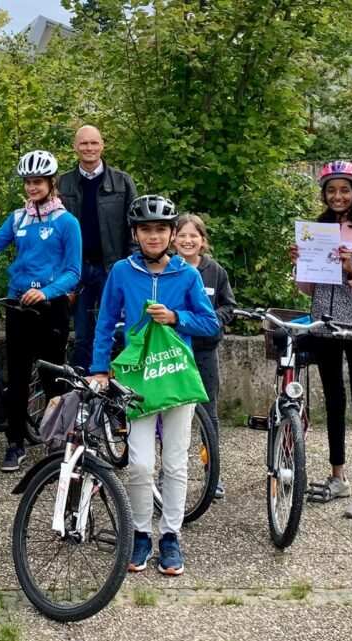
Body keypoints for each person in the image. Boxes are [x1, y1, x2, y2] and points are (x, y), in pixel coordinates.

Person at [90, 195, 219, 576]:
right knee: (141, 463)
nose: (153, 235)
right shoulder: (122, 271)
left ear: (172, 233)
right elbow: (105, 321)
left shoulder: (188, 275)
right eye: (146, 229)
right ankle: (141, 533)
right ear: (135, 233)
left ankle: (170, 537)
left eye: (161, 229)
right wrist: (99, 369)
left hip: (176, 375)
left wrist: (177, 317)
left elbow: (211, 324)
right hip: (137, 378)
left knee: (176, 462)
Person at [0, 150, 81, 472]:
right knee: (17, 378)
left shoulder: (67, 221)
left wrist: (46, 291)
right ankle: (15, 443)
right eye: (28, 182)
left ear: (51, 182)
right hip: (18, 304)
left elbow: (74, 272)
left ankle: (58, 440)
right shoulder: (18, 217)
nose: (32, 187)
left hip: (51, 307)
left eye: (38, 182)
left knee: (53, 379)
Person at [289, 161, 352, 519]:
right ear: (324, 194)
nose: (337, 196)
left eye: (344, 190)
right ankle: (338, 476)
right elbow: (309, 288)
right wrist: (300, 264)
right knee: (334, 402)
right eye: (331, 190)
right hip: (323, 325)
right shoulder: (315, 231)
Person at [58, 125, 138, 374]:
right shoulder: (63, 182)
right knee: (82, 332)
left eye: (94, 143)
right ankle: (82, 391)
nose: (89, 148)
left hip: (111, 267)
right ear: (75, 147)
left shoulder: (123, 181)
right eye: (83, 144)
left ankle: (114, 390)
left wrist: (133, 264)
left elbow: (134, 226)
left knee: (114, 329)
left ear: (102, 145)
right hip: (77, 268)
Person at [174, 213, 237, 498]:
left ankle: (212, 475)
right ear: (173, 239)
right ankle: (169, 474)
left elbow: (229, 306)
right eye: (182, 235)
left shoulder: (215, 271)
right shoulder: (168, 269)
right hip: (174, 351)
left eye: (193, 236)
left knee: (208, 415)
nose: (188, 240)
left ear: (203, 241)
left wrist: (214, 318)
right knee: (172, 414)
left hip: (205, 351)